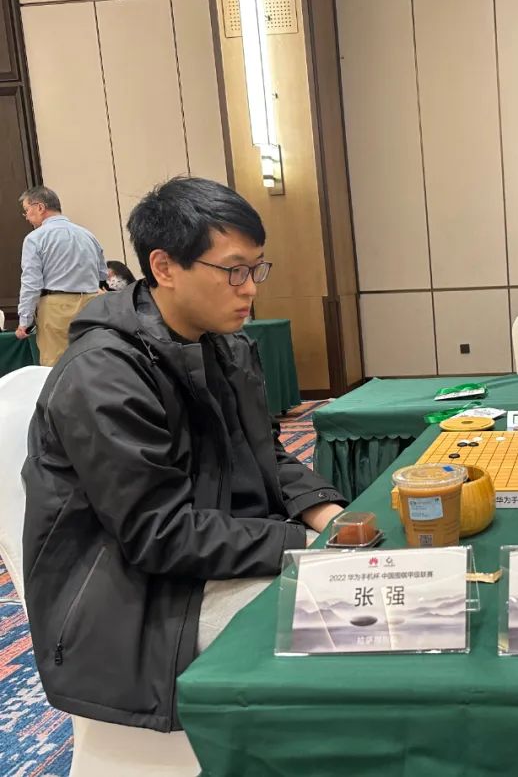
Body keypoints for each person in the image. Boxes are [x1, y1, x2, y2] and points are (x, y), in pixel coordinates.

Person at [21, 177, 347, 732]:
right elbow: (159, 534)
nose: (250, 289)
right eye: (234, 271)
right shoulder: (104, 374)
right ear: (165, 267)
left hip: (205, 561)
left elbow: (264, 451)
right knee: (351, 632)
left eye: (257, 269)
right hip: (136, 607)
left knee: (377, 601)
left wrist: (328, 516)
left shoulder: (221, 344)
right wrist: (304, 545)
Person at [16, 186, 107, 366]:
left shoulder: (35, 238)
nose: (26, 216)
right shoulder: (88, 235)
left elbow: (31, 284)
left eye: (26, 210)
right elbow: (102, 274)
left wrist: (24, 320)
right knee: (92, 362)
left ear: (40, 207)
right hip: (91, 305)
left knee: (56, 367)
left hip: (55, 308)